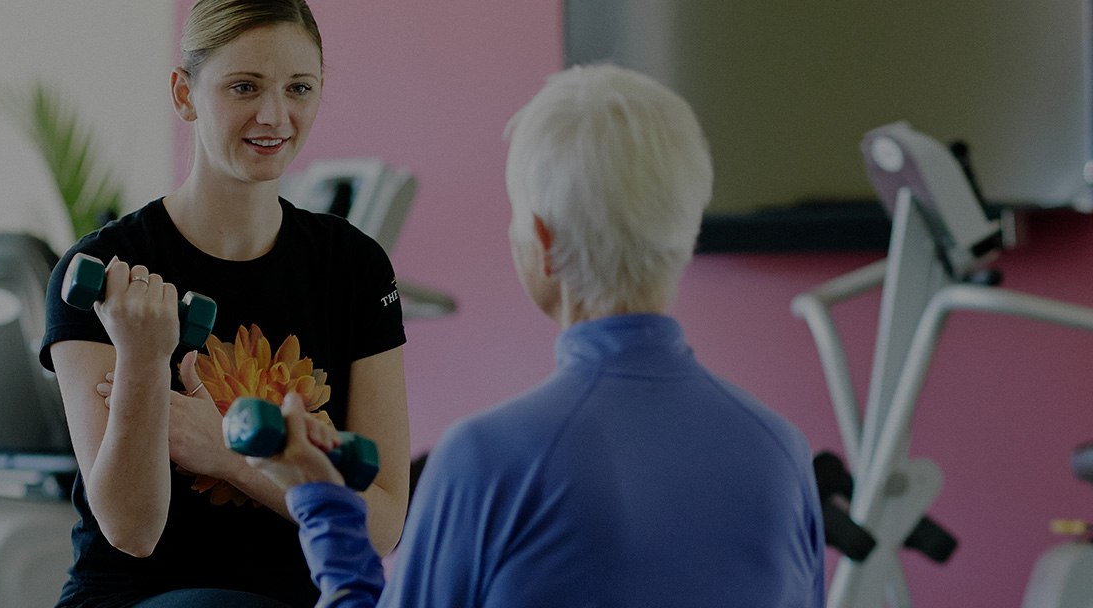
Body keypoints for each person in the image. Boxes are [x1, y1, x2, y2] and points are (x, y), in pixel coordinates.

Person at [246, 63, 826, 608]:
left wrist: (322, 505)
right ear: (685, 230)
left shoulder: (487, 459)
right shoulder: (783, 453)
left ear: (542, 244)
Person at [39, 1, 409, 606]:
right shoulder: (106, 274)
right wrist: (140, 357)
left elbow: (382, 525)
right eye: (244, 86)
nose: (275, 115)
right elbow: (132, 531)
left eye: (299, 88)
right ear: (184, 94)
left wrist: (233, 455)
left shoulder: (355, 268)